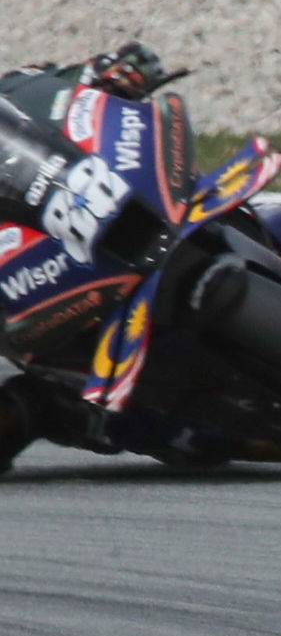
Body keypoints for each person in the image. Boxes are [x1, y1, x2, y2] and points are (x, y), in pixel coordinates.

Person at [0, 42, 182, 468]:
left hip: (85, 202)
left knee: (263, 213)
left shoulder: (17, 89)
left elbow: (48, 90)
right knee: (27, 405)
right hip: (35, 301)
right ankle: (106, 414)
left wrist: (109, 75)